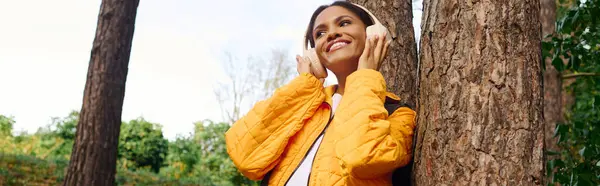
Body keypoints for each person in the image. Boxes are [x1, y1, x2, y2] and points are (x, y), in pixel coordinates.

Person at [225, 1, 416, 185]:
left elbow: (363, 157)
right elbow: (246, 157)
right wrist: (304, 86)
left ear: (373, 34)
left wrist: (366, 76)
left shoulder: (399, 114)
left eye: (344, 23)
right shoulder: (305, 108)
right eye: (320, 33)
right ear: (313, 55)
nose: (331, 34)